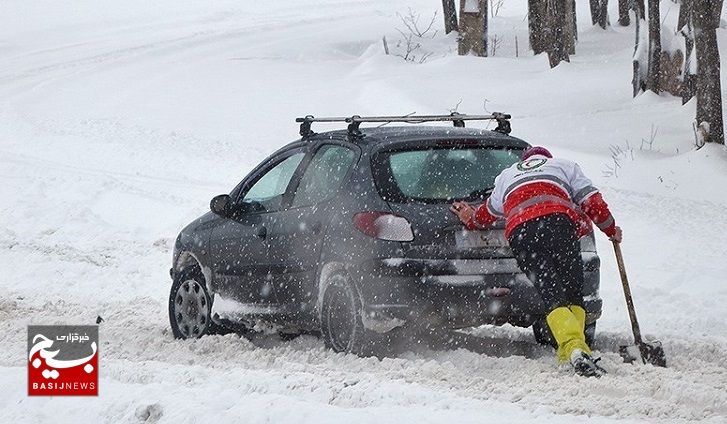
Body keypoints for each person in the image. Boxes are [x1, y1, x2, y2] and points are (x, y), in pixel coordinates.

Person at [450, 146, 622, 378]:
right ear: (545, 159)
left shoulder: (507, 175)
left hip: (522, 234)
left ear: (525, 162)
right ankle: (576, 349)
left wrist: (470, 219)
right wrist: (610, 229)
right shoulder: (563, 165)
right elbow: (592, 202)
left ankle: (569, 353)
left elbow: (486, 215)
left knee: (550, 290)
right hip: (559, 226)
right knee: (573, 292)